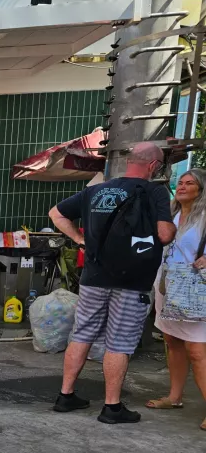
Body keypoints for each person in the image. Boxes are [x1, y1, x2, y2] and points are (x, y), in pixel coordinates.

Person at [49, 141, 176, 424]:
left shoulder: (95, 190)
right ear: (153, 165)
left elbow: (56, 214)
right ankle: (112, 407)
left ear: (129, 161)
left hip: (94, 276)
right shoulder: (155, 191)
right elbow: (165, 235)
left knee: (82, 333)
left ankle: (65, 396)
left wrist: (80, 239)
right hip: (133, 280)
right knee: (120, 340)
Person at [146, 168, 206, 431]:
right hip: (167, 284)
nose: (181, 186)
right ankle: (174, 397)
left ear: (201, 188)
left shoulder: (204, 216)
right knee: (172, 341)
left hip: (195, 288)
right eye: (180, 182)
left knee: (197, 350)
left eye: (189, 183)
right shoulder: (170, 215)